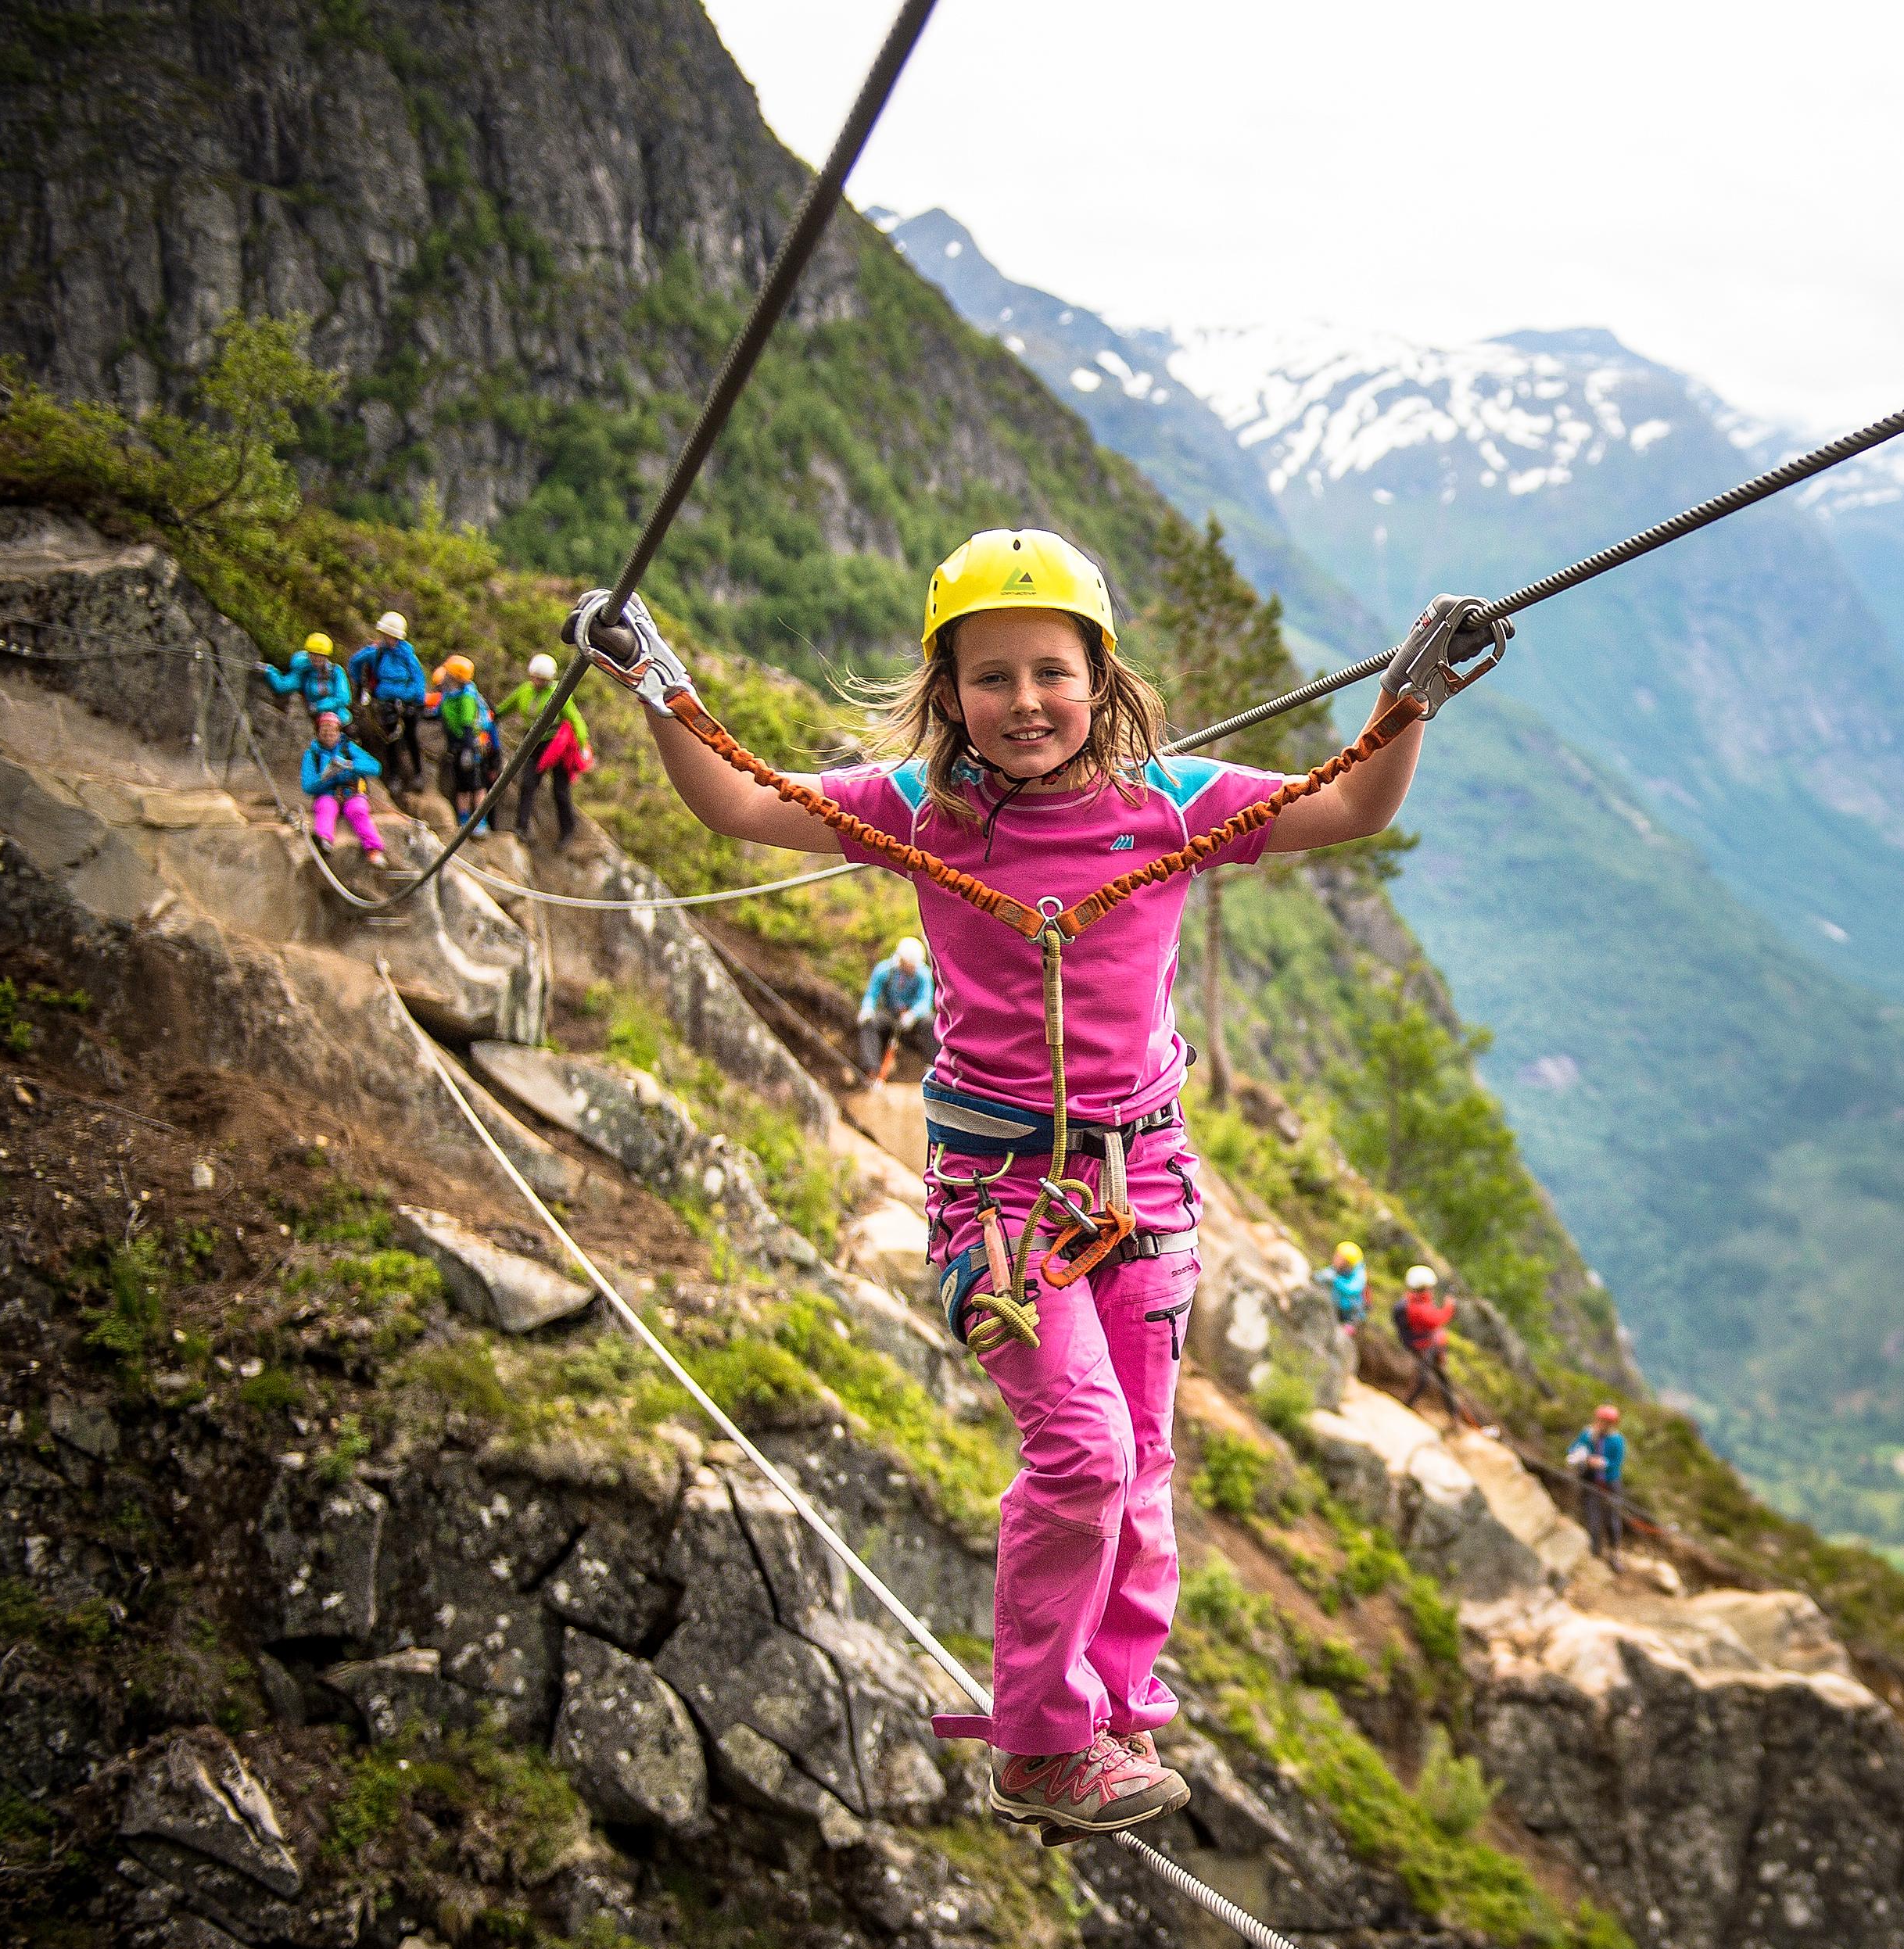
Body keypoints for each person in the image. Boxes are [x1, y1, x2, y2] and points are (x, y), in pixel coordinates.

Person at [573, 526, 1486, 1845]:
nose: (1023, 703)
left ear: (1098, 678)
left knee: (1146, 1461)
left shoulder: (1168, 802)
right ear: (949, 695)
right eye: (988, 677)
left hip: (1145, 1179)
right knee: (1083, 1453)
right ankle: (1045, 1744)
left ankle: (1112, 1702)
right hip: (999, 1198)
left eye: (1048, 671)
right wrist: (660, 689)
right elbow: (742, 803)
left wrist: (1407, 705)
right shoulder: (919, 814)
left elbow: (1348, 806)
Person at [348, 610, 431, 793]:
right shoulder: (375, 652)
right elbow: (354, 662)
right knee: (391, 739)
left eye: (392, 636)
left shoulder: (407, 654)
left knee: (411, 737)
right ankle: (394, 776)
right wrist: (361, 684)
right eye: (387, 635)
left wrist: (418, 701)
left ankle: (418, 774)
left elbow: (418, 678)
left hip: (407, 701)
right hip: (386, 701)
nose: (389, 639)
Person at [511, 654, 590, 844]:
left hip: (556, 746)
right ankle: (521, 827)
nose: (538, 682)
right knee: (528, 784)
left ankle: (568, 830)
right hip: (534, 743)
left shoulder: (558, 694)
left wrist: (582, 744)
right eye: (536, 678)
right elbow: (509, 706)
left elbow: (575, 719)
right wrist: (494, 715)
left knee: (560, 790)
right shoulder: (525, 691)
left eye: (542, 679)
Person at [298, 708, 389, 866]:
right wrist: (325, 777)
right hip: (327, 793)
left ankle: (374, 849)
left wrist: (350, 765)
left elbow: (375, 767)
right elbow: (308, 785)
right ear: (318, 733)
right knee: (325, 808)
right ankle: (324, 840)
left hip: (351, 793)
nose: (328, 735)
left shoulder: (348, 748)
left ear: (339, 732)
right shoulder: (312, 754)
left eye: (332, 730)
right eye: (324, 731)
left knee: (358, 810)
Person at [855, 935, 937, 1084]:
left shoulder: (923, 975)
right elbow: (872, 994)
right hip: (890, 1014)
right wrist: (867, 1009)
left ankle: (933, 1067)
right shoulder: (884, 970)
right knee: (870, 1023)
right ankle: (872, 1070)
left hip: (913, 1018)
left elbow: (925, 1000)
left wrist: (913, 1014)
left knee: (931, 1022)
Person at [432, 654, 497, 830]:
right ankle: (464, 819)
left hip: (470, 745)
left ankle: (479, 821)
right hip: (458, 745)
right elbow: (443, 711)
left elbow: (468, 724)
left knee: (476, 785)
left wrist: (468, 750)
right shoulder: (450, 693)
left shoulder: (467, 696)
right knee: (462, 786)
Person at [1393, 1265, 1458, 1422]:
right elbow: (1437, 1319)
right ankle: (1408, 1404)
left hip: (1425, 1344)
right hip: (1423, 1346)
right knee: (1426, 1378)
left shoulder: (1410, 1302)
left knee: (1438, 1378)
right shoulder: (1417, 1308)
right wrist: (1449, 1306)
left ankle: (1453, 1413)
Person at [1565, 1403, 1629, 1564]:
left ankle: (1614, 1552)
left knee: (1612, 1517)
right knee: (1592, 1515)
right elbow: (1573, 1449)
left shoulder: (1617, 1440)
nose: (1603, 1424)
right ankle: (1594, 1551)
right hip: (1591, 1480)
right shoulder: (1588, 1434)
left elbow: (1616, 1462)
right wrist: (1586, 1458)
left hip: (1610, 1482)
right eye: (1601, 1420)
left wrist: (1603, 1463)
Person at [257, 632, 350, 722]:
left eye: (321, 656)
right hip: (311, 717)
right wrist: (268, 670)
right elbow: (283, 686)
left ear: (326, 657)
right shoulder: (304, 671)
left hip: (336, 718)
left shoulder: (336, 671)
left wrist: (317, 707)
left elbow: (343, 699)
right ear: (308, 654)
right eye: (313, 654)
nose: (316, 658)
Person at [1318, 1241, 1368, 1331]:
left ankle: (1351, 1327)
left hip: (1351, 1314)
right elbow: (1320, 1276)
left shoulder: (1359, 1274)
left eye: (1339, 1257)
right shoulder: (1337, 1269)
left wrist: (1336, 1280)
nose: (1335, 1258)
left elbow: (1352, 1290)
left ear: (1347, 1262)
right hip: (1337, 1308)